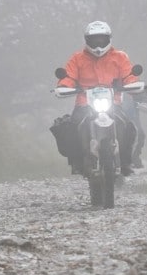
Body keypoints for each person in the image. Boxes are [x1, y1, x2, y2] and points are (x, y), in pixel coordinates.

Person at [56, 20, 140, 177]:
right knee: (72, 128)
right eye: (94, 40)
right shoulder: (77, 58)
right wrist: (64, 86)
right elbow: (69, 76)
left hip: (113, 103)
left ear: (109, 39)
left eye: (101, 39)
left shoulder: (120, 57)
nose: (98, 43)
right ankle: (76, 162)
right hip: (84, 103)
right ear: (87, 40)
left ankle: (126, 162)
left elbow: (128, 75)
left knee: (128, 127)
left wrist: (133, 84)